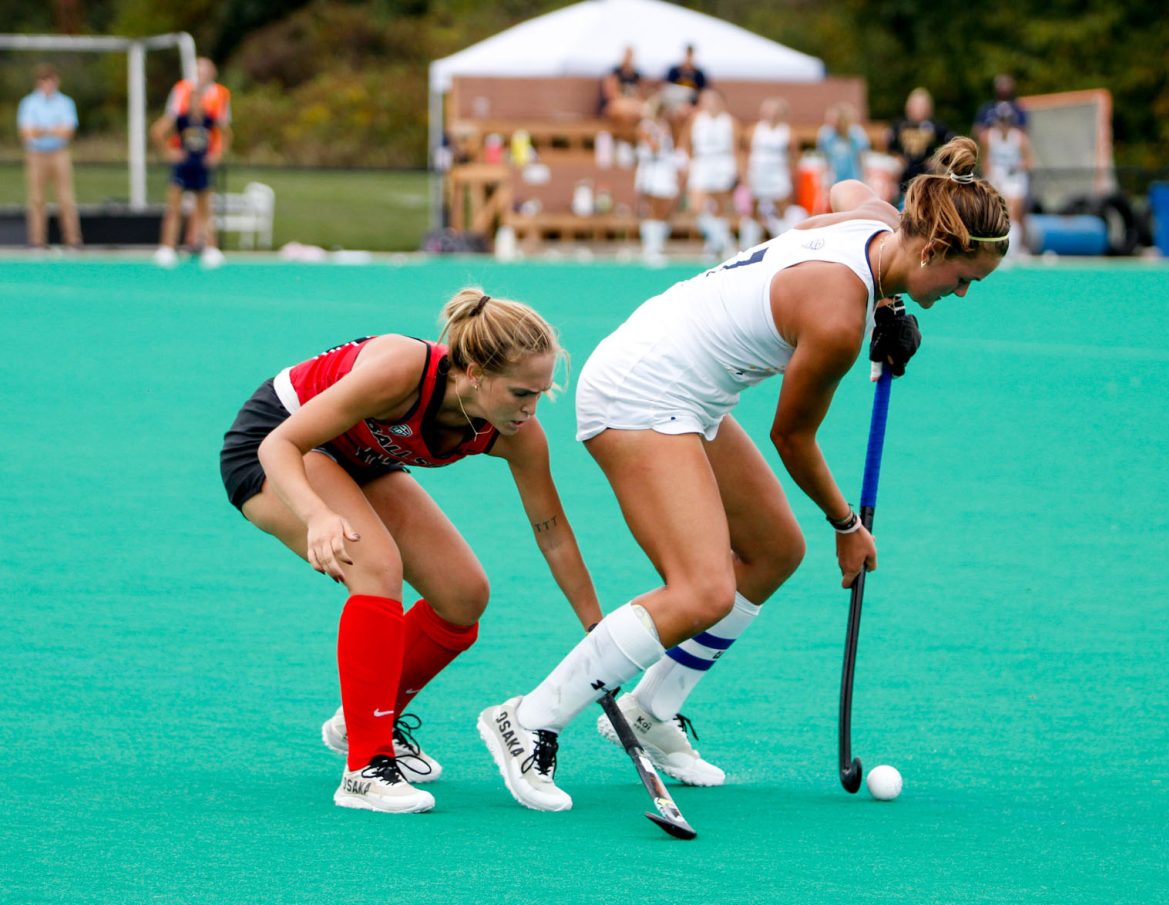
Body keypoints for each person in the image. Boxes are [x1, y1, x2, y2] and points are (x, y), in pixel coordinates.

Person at [478, 138, 1009, 810]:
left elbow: (845, 190)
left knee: (774, 551)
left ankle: (651, 708)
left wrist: (889, 304)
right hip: (641, 388)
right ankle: (526, 721)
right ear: (933, 250)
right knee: (701, 590)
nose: (961, 293)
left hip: (690, 387)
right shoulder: (836, 318)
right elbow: (792, 437)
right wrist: (846, 525)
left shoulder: (876, 221)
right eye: (964, 279)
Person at [220, 288, 602, 813]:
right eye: (520, 393)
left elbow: (552, 530)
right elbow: (279, 445)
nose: (531, 408)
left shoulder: (517, 432)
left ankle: (363, 717)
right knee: (377, 568)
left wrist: (595, 628)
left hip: (359, 459)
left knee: (463, 596)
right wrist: (317, 515)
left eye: (541, 392)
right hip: (279, 448)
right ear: (472, 372)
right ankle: (365, 767)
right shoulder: (400, 371)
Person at [151, 58, 232, 269]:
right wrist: (169, 152)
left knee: (205, 209)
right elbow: (159, 130)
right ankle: (167, 248)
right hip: (183, 165)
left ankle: (210, 248)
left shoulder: (217, 103)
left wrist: (217, 155)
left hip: (202, 165)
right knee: (174, 207)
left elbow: (226, 132)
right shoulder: (181, 107)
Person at [17, 64, 82, 249]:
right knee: (36, 199)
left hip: (59, 153)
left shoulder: (65, 102)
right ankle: (37, 241)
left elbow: (68, 131)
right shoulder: (28, 103)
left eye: (50, 80)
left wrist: (42, 130)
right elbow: (27, 132)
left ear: (56, 81)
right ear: (38, 83)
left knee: (66, 198)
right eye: (43, 81)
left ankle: (73, 240)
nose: (47, 84)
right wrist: (53, 130)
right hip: (36, 154)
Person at [686, 88, 740, 260]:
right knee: (696, 206)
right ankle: (723, 240)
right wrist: (688, 163)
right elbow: (685, 143)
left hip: (723, 162)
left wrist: (737, 170)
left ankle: (715, 245)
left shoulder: (730, 122)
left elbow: (736, 148)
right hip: (702, 161)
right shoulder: (695, 120)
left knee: (720, 207)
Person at [980, 102, 1034, 255]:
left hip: (1015, 178)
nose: (1003, 124)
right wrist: (992, 177)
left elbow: (1029, 162)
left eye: (1007, 120)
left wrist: (1016, 166)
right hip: (997, 178)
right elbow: (985, 162)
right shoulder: (988, 137)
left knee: (1013, 212)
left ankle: (1013, 249)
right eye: (1001, 120)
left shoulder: (1019, 138)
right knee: (994, 213)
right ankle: (994, 247)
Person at [634, 96, 681, 262]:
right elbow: (653, 148)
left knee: (665, 208)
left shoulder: (665, 126)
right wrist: (659, 135)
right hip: (652, 169)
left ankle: (658, 244)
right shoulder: (646, 126)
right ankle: (650, 248)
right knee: (652, 208)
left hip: (665, 169)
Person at [887, 87, 955, 198]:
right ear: (909, 106)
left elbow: (952, 143)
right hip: (903, 172)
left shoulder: (936, 126)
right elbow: (889, 147)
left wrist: (938, 159)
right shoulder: (899, 125)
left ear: (928, 107)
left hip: (927, 172)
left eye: (922, 105)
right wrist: (896, 157)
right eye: (916, 105)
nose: (919, 109)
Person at [746, 97, 797, 240]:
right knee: (754, 209)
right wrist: (746, 176)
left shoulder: (788, 132)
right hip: (758, 173)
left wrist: (792, 179)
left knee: (781, 209)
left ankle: (783, 241)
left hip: (778, 174)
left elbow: (793, 158)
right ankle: (750, 242)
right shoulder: (754, 130)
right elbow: (746, 153)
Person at [817, 103, 871, 185]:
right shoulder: (827, 135)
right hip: (834, 179)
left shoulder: (855, 134)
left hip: (853, 178)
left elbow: (862, 157)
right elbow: (824, 157)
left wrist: (864, 178)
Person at [662, 44, 708, 138]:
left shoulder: (699, 74)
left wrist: (695, 107)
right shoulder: (674, 71)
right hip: (675, 105)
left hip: (692, 106)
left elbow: (703, 93)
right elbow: (667, 90)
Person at [599, 46, 645, 139]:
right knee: (622, 113)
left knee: (637, 113)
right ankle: (623, 140)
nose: (628, 58)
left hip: (630, 107)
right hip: (615, 106)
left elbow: (639, 96)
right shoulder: (614, 72)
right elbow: (611, 95)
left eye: (630, 55)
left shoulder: (636, 75)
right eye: (626, 55)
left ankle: (627, 141)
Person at [973, 74, 1028, 141]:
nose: (1003, 87)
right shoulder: (986, 108)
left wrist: (1007, 129)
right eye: (1000, 83)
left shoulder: (1018, 108)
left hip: (1012, 145)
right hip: (990, 145)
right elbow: (976, 130)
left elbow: (1024, 130)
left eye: (1006, 83)